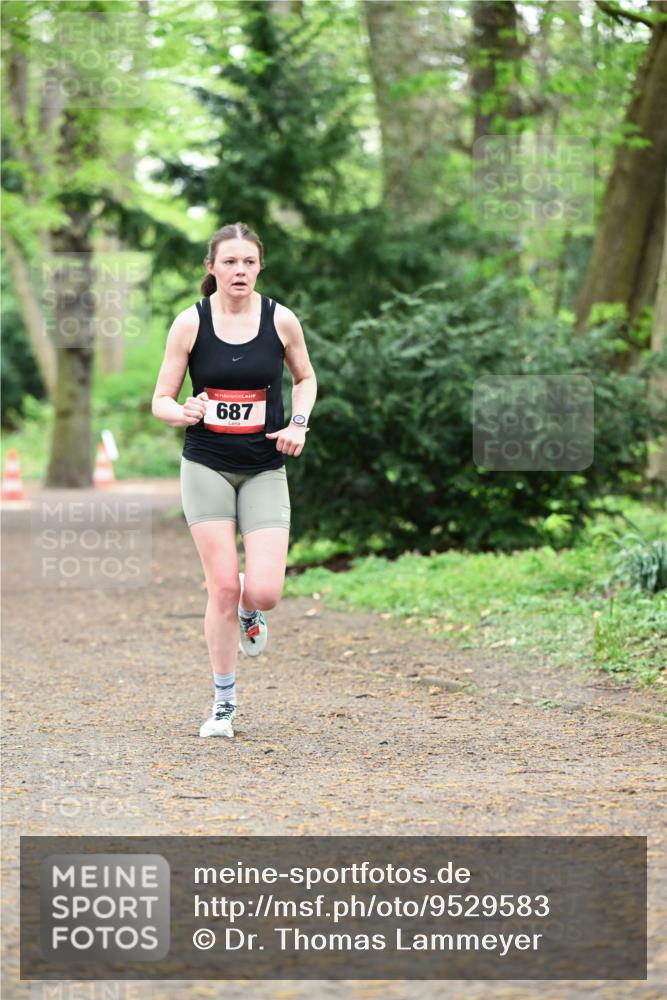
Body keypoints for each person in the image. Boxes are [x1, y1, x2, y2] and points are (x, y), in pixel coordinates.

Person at [152, 222, 317, 738]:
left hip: (265, 466)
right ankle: (223, 704)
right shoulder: (190, 323)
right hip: (206, 465)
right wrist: (184, 411)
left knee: (263, 591)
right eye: (229, 262)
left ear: (259, 267)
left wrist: (298, 424)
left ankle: (252, 610)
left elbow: (305, 379)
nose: (239, 271)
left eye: (248, 262)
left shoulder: (281, 319)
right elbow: (160, 400)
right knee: (221, 588)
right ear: (212, 268)